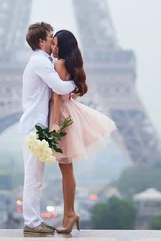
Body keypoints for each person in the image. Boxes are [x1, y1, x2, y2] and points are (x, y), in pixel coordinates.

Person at [49, 29, 117, 234]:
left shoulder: (59, 63)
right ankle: (69, 214)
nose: (52, 48)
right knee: (67, 170)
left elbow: (57, 95)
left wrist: (54, 123)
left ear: (63, 47)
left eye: (55, 45)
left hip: (61, 116)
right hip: (70, 113)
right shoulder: (69, 64)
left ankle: (69, 214)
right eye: (51, 44)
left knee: (66, 169)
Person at [19, 22, 76, 235]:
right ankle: (32, 223)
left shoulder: (42, 61)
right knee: (33, 178)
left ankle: (33, 221)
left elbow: (61, 62)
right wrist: (76, 86)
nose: (53, 40)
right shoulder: (40, 63)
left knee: (36, 178)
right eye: (51, 36)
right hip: (34, 127)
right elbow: (60, 87)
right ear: (41, 41)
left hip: (36, 126)